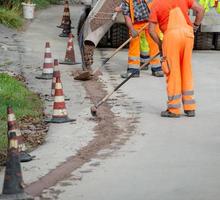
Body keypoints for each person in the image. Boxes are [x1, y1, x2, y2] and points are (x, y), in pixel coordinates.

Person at [148, 0, 204, 117]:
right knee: (186, 70)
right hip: (188, 35)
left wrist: (160, 44)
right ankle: (190, 108)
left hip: (171, 36)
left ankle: (174, 109)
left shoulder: (156, 4)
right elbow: (200, 10)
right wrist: (195, 26)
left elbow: (151, 30)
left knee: (173, 72)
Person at [119, 0, 164, 78]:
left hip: (150, 21)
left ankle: (157, 69)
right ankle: (133, 70)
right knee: (134, 45)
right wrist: (132, 29)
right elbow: (127, 16)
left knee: (154, 44)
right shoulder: (126, 1)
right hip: (135, 24)